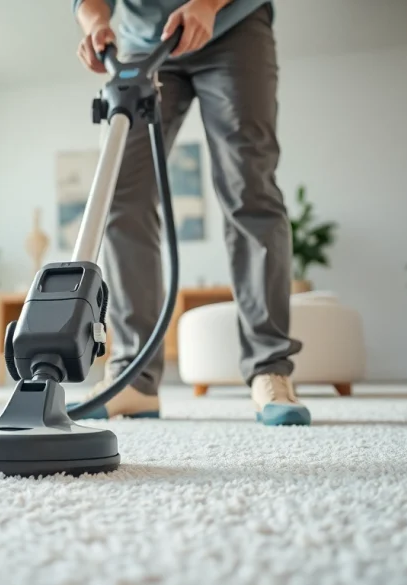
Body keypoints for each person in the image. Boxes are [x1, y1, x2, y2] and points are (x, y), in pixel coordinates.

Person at [70, 0, 310, 426]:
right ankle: (132, 377)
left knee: (248, 188)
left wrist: (205, 5)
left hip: (233, 27)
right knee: (121, 194)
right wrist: (96, 24)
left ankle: (269, 369)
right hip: (145, 44)